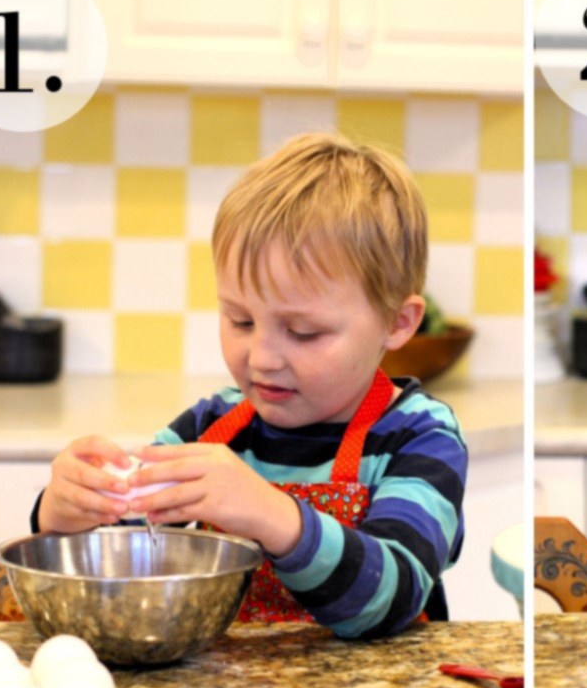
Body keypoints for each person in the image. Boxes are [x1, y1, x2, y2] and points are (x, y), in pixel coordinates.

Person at [36, 132, 467, 637]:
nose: (261, 358)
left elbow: (389, 597)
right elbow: (125, 555)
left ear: (397, 322)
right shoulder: (212, 426)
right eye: (240, 321)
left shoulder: (420, 437)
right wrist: (67, 515)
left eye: (304, 331)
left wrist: (273, 516)